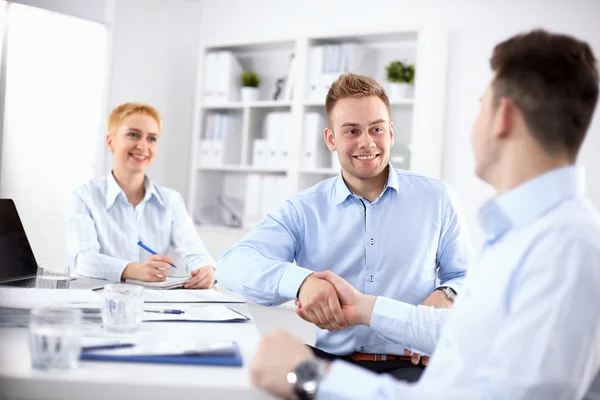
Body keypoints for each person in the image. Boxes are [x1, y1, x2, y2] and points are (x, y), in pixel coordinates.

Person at [249, 29, 600, 399]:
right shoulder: (526, 234)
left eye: (481, 106)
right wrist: (363, 308)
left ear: (504, 118)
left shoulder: (567, 248)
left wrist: (308, 377)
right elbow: (465, 330)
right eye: (352, 130)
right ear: (332, 138)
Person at [217, 73, 471, 380]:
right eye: (351, 131)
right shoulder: (304, 209)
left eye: (376, 129)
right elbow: (232, 265)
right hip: (331, 361)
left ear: (391, 133)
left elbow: (466, 276)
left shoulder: (437, 198)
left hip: (411, 364)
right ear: (331, 139)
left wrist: (448, 293)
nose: (367, 142)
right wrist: (302, 282)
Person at [66, 102, 216, 288]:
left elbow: (195, 253)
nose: (143, 146)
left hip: (156, 305)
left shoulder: (171, 200)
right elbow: (82, 258)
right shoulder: (84, 196)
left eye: (152, 138)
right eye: (133, 135)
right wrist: (132, 269)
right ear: (110, 141)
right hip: (101, 302)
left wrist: (205, 269)